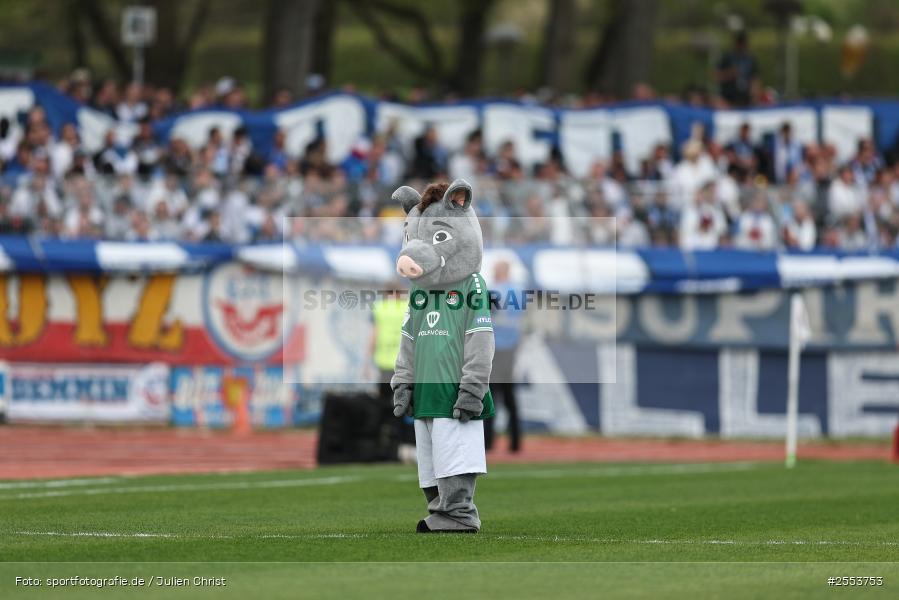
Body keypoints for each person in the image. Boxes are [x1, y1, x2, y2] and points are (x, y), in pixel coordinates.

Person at [391, 179, 494, 534]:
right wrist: (402, 382)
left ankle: (460, 512)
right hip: (425, 388)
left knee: (455, 452)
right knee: (430, 458)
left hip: (454, 388)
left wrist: (472, 388)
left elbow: (480, 338)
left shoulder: (471, 285)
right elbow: (409, 339)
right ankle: (439, 509)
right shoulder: (419, 293)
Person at [485, 260, 522, 453]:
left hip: (496, 347)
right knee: (509, 395)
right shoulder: (518, 291)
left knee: (491, 394)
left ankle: (488, 441)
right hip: (511, 347)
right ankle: (515, 441)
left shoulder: (494, 292)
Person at [716, 30, 759, 107]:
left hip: (746, 99)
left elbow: (755, 79)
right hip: (728, 99)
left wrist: (754, 95)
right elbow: (716, 76)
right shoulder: (727, 58)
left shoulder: (750, 59)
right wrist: (730, 73)